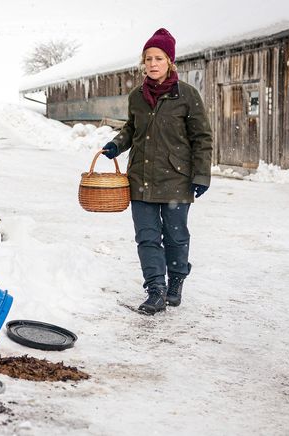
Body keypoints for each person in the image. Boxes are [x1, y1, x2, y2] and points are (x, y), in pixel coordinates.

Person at [101, 28, 212, 315]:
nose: (152, 64)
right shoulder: (137, 96)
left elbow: (202, 137)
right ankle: (156, 289)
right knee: (147, 237)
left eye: (158, 58)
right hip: (141, 177)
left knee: (175, 236)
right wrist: (116, 145)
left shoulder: (187, 95)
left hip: (177, 178)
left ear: (169, 62)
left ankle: (175, 281)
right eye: (148, 58)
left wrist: (200, 175)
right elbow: (132, 128)